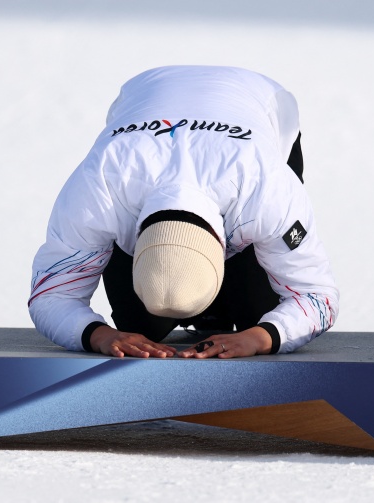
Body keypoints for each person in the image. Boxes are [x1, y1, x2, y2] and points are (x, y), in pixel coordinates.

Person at [29, 65, 339, 359]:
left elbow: (317, 295)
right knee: (139, 327)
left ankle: (221, 301)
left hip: (259, 99)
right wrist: (101, 336)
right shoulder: (97, 191)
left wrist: (260, 337)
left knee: (258, 315)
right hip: (146, 95)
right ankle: (206, 303)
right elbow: (51, 295)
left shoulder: (267, 191)